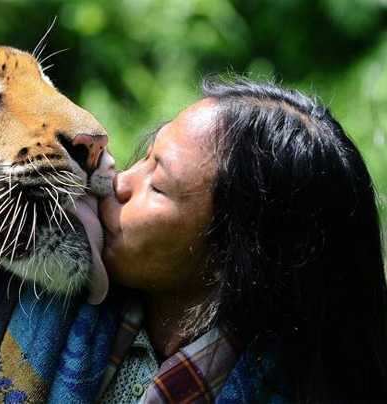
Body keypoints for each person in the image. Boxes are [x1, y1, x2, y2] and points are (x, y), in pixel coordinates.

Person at [96, 78, 387, 403]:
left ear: (233, 255)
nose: (119, 182)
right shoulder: (55, 310)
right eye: (146, 157)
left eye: (158, 186)